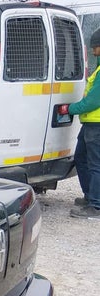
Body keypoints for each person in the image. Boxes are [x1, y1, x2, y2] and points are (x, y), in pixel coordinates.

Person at [60, 28, 100, 219]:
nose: (93, 51)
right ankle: (90, 196)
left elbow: (93, 101)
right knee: (81, 159)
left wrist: (70, 109)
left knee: (95, 164)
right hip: (91, 124)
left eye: (96, 47)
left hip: (97, 125)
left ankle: (96, 206)